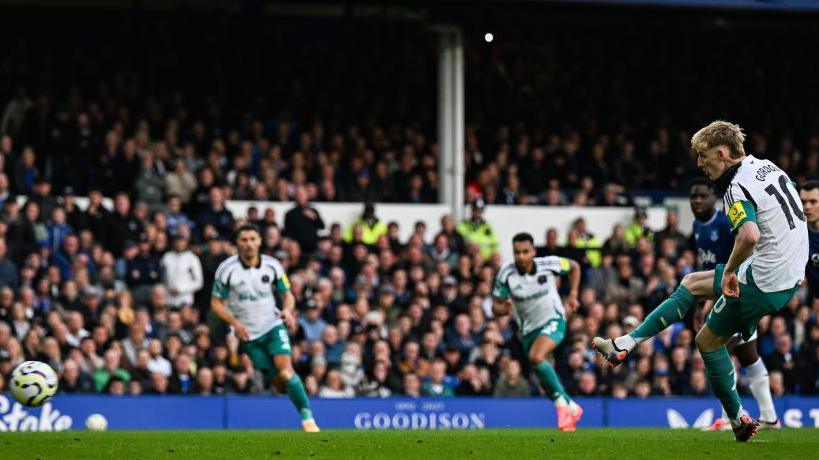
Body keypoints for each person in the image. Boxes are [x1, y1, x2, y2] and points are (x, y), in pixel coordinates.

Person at [594, 121, 807, 441]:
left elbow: (750, 235)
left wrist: (732, 270)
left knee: (706, 339)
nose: (699, 163)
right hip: (790, 275)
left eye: (702, 155)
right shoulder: (767, 167)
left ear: (722, 154)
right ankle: (626, 343)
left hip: (766, 278)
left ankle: (738, 420)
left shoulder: (736, 188)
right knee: (697, 288)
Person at [688, 176, 780, 431]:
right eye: (693, 196)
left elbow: (745, 252)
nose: (697, 200)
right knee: (748, 355)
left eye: (702, 195)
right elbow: (705, 266)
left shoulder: (726, 221)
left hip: (738, 293)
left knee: (718, 348)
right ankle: (770, 417)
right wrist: (700, 303)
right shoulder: (698, 226)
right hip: (717, 293)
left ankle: (729, 417)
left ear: (712, 198)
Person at [210, 224, 319, 432]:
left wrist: (287, 310)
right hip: (248, 335)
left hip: (272, 325)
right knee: (277, 382)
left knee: (286, 370)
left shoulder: (273, 266)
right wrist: (235, 324)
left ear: (260, 241)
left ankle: (308, 419)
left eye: (253, 239)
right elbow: (215, 303)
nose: (249, 244)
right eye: (244, 240)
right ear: (237, 243)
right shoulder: (227, 270)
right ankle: (287, 388)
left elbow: (287, 294)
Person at [492, 232, 582, 431]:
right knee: (543, 378)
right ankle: (572, 406)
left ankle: (562, 407)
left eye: (525, 252)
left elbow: (574, 266)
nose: (521, 256)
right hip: (527, 330)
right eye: (517, 252)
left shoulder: (549, 264)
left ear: (533, 251)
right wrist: (503, 308)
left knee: (536, 356)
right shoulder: (506, 274)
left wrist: (573, 294)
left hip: (554, 320)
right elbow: (495, 307)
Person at [161, 234, 204, 308]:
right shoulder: (167, 256)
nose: (179, 244)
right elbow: (162, 276)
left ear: (186, 243)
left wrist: (180, 289)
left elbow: (199, 283)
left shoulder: (192, 258)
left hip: (185, 299)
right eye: (177, 241)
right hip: (168, 298)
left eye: (181, 241)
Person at [284, 185, 325, 256]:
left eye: (302, 195)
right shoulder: (290, 214)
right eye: (298, 195)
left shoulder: (313, 211)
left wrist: (315, 218)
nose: (300, 197)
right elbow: (288, 233)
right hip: (297, 250)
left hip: (313, 249)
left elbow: (322, 226)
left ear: (307, 196)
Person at [799, 180, 819, 302]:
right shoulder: (797, 233)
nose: (807, 207)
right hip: (809, 299)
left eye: (813, 202)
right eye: (803, 202)